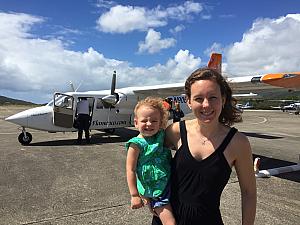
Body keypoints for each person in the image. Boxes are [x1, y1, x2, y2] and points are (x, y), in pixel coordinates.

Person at [152, 68, 256, 225]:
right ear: (188, 101)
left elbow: (248, 193)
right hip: (167, 220)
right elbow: (148, 155)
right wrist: (147, 195)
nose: (206, 105)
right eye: (199, 98)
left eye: (213, 97)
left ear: (223, 98)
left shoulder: (238, 143)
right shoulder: (175, 131)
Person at [125, 97, 176, 225]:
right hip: (155, 190)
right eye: (144, 121)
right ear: (136, 123)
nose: (149, 124)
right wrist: (135, 195)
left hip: (170, 182)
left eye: (154, 120)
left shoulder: (161, 135)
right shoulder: (136, 144)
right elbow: (130, 169)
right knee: (170, 222)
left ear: (160, 123)